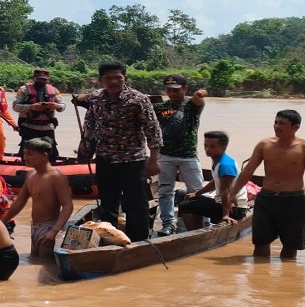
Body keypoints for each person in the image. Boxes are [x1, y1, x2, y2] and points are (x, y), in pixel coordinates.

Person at [78, 61, 162, 242]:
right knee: (107, 202)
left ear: (125, 78)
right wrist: (86, 145)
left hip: (133, 159)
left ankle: (138, 240)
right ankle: (109, 239)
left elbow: (153, 130)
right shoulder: (96, 98)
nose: (114, 81)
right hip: (104, 158)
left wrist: (154, 160)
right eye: (109, 78)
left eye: (118, 77)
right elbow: (90, 123)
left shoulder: (138, 99)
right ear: (101, 80)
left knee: (135, 203)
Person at [228, 110, 305, 259]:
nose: (277, 126)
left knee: (291, 246)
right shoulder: (264, 145)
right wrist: (233, 193)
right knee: (260, 243)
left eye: (282, 124)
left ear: (295, 127)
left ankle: (288, 280)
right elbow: (248, 171)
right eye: (276, 122)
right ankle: (260, 279)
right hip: (267, 199)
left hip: (293, 200)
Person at [153, 74, 208, 236]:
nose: (172, 93)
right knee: (165, 191)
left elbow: (199, 100)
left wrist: (199, 95)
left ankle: (205, 222)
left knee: (197, 190)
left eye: (176, 90)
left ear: (185, 88)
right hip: (166, 155)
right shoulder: (160, 108)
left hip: (188, 156)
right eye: (169, 90)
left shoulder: (191, 106)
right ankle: (168, 223)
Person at [2, 137, 73, 258]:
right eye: (24, 154)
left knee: (45, 266)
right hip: (34, 227)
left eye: (29, 154)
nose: (25, 157)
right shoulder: (31, 174)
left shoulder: (56, 177)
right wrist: (4, 221)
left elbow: (68, 206)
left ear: (44, 155)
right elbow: (20, 201)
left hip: (49, 227)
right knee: (34, 261)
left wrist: (54, 231)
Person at [178, 131, 249, 231]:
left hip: (235, 209)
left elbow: (226, 193)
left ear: (223, 148)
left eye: (212, 147)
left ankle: (196, 234)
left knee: (184, 206)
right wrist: (197, 193)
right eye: (206, 145)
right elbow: (215, 182)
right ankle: (198, 230)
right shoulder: (218, 160)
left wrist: (225, 215)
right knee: (190, 198)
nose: (208, 149)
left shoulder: (225, 165)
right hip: (223, 203)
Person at [12, 68, 66, 163]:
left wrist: (56, 106)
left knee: (52, 154)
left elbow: (63, 105)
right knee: (28, 153)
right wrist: (31, 107)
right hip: (29, 127)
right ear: (34, 78)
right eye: (39, 79)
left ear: (48, 80)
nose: (42, 81)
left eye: (44, 79)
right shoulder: (24, 90)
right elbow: (15, 106)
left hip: (47, 127)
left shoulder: (54, 90)